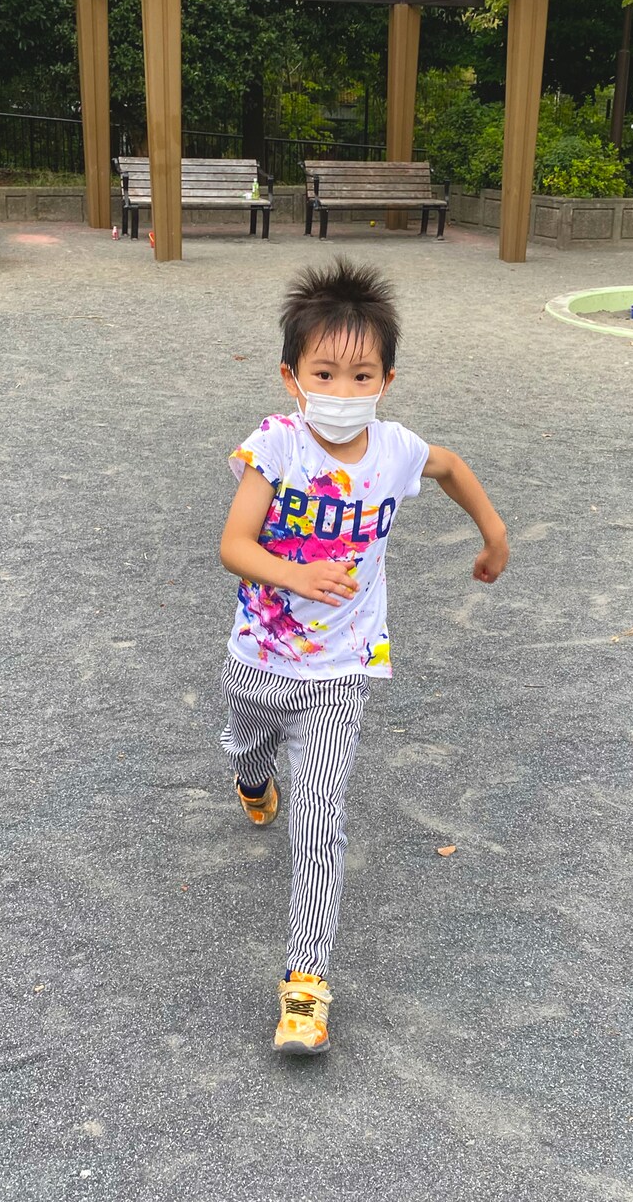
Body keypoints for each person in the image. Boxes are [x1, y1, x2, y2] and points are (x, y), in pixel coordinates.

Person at [218, 257, 509, 1055]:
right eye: (324, 373)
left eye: (361, 375)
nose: (342, 391)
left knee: (319, 823)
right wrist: (295, 574)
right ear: (290, 376)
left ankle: (305, 984)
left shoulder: (395, 450)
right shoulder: (276, 446)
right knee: (244, 745)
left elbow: (449, 465)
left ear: (386, 380)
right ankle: (251, 778)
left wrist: (495, 533)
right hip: (257, 658)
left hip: (340, 673)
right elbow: (234, 544)